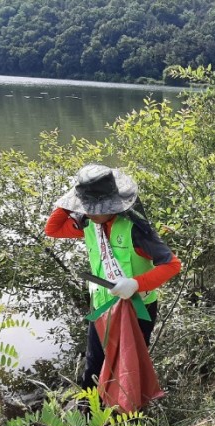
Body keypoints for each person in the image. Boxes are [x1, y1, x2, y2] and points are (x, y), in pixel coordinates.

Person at [45, 164, 181, 392]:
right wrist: (71, 201)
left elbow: (172, 265)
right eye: (87, 206)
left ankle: (130, 419)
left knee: (129, 367)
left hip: (138, 310)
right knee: (93, 368)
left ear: (114, 204)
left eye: (96, 207)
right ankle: (89, 420)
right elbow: (53, 229)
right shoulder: (88, 222)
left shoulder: (136, 229)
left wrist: (136, 284)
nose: (91, 211)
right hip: (102, 307)